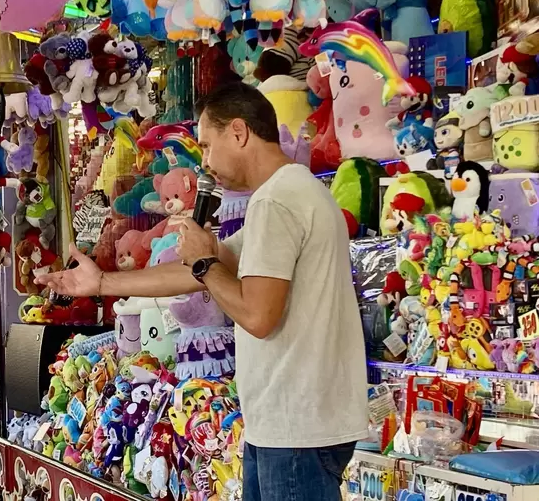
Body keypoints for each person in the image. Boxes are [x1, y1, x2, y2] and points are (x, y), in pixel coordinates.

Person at [37, 82, 368, 501]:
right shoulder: (294, 192)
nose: (206, 161)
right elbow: (201, 269)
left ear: (239, 132)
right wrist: (101, 283)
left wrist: (204, 263)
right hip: (291, 422)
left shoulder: (276, 201)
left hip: (296, 425)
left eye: (208, 146)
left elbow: (257, 315)